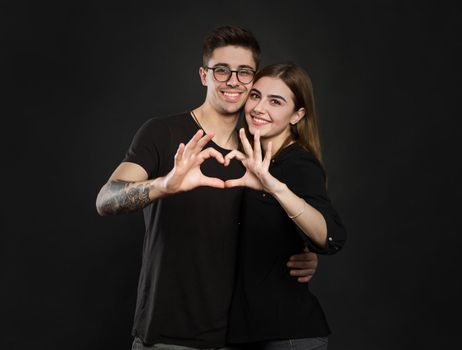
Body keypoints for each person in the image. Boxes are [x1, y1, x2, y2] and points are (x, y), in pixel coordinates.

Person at [95, 26, 319, 350]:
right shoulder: (163, 133)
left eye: (244, 73)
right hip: (168, 335)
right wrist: (165, 184)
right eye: (222, 70)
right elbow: (106, 199)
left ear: (253, 80)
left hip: (243, 338)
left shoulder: (261, 150)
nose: (233, 81)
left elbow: (284, 222)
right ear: (204, 75)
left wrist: (302, 254)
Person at [223, 63, 347, 349]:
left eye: (275, 101)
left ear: (297, 114)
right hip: (240, 332)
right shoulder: (242, 156)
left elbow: (331, 237)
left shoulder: (298, 164)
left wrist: (274, 187)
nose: (258, 108)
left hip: (286, 334)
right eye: (255, 96)